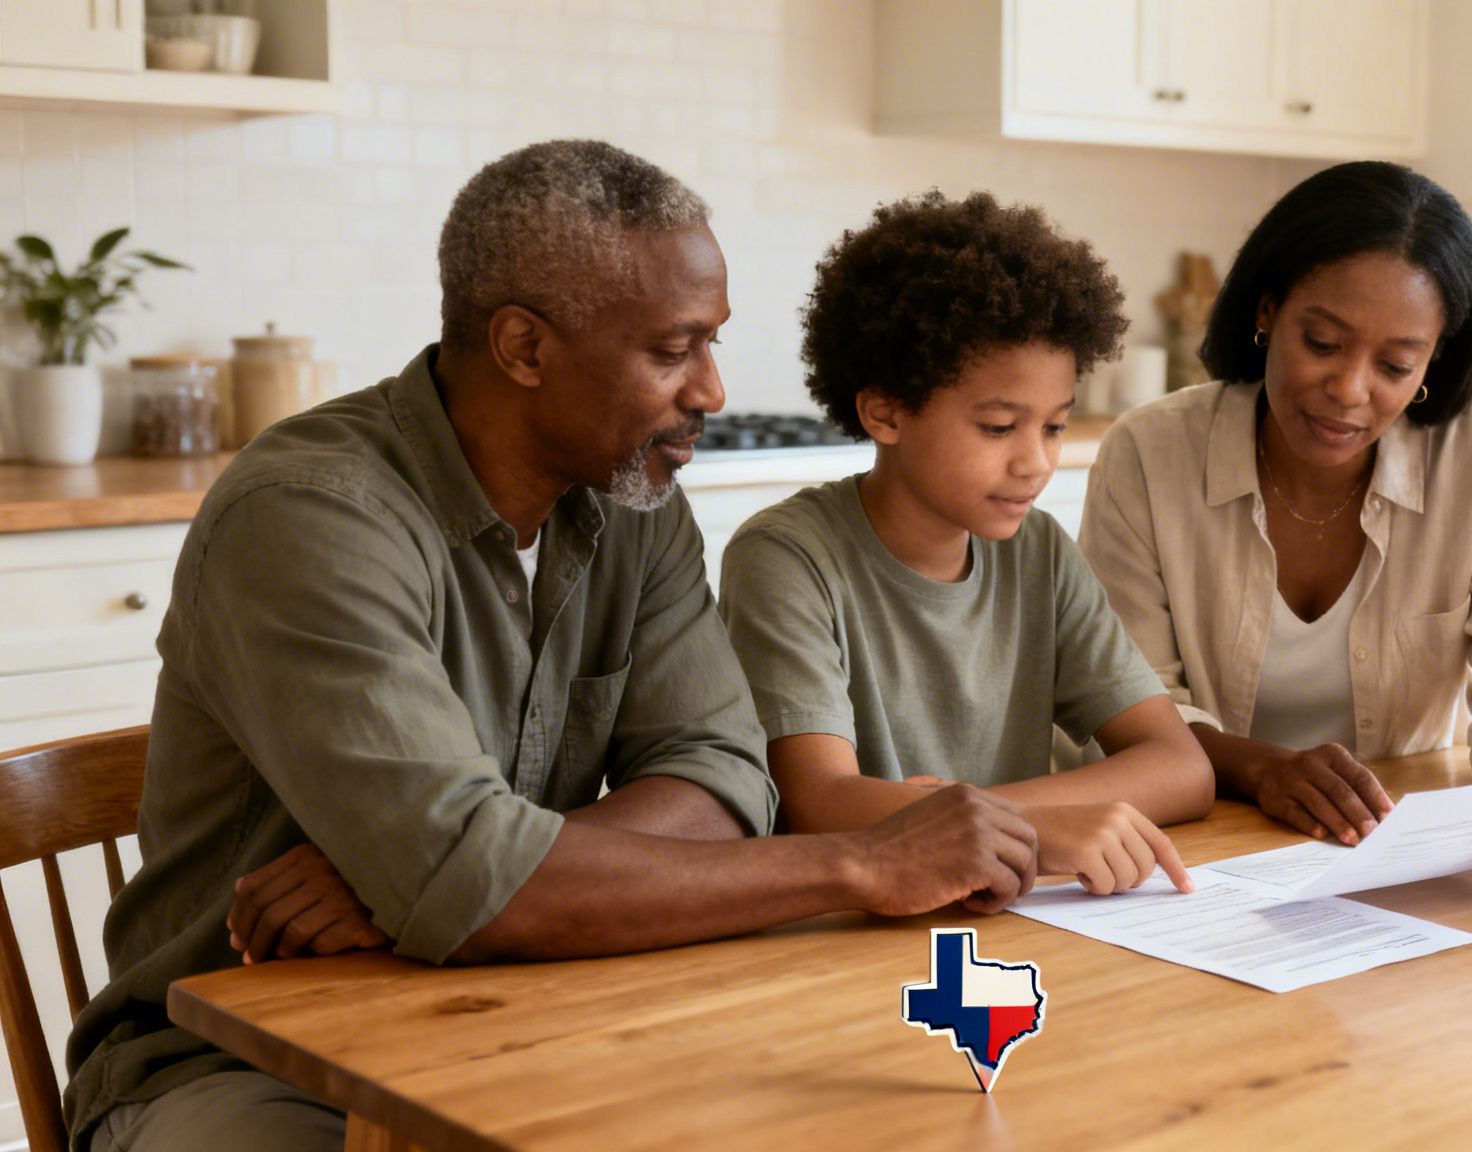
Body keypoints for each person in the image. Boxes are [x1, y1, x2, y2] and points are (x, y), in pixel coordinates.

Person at [64, 142, 1040, 1152]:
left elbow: (723, 775)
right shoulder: (310, 516)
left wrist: (461, 873)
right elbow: (487, 879)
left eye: (711, 342)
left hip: (533, 1008)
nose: (710, 388)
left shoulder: (633, 497)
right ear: (524, 350)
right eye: (673, 349)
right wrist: (856, 867)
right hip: (241, 1062)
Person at [1079, 161, 1472, 883]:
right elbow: (1123, 705)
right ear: (1267, 310)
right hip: (1182, 851)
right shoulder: (1150, 452)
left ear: (1434, 359)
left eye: (1396, 365)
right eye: (1323, 343)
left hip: (1392, 853)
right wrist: (1266, 772)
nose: (1348, 389)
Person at [717, 191, 1213, 897]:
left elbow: (1182, 767)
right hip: (844, 934)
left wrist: (977, 820)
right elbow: (818, 801)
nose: (1036, 463)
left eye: (1052, 426)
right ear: (885, 411)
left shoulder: (1035, 548)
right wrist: (1038, 827)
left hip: (1010, 910)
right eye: (998, 426)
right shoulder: (787, 558)